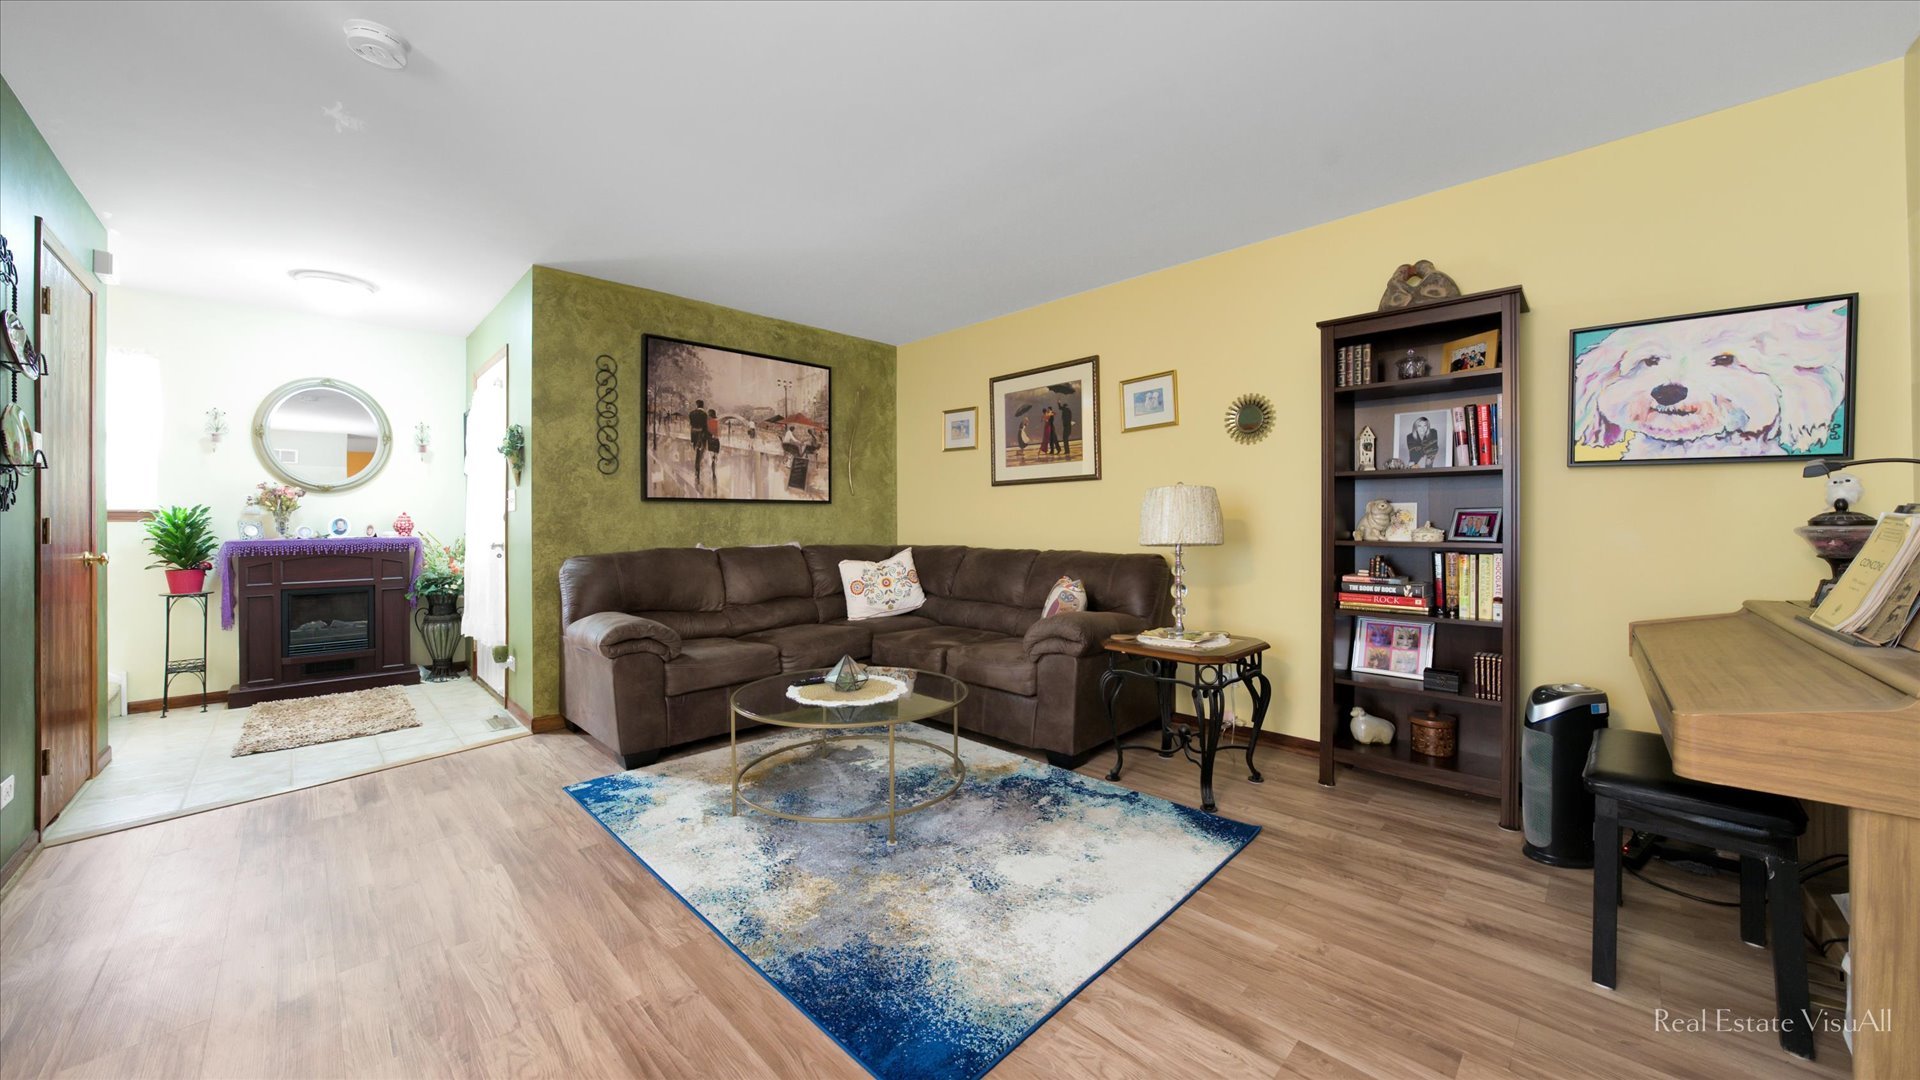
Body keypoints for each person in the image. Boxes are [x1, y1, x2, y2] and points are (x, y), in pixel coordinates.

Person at [689, 399, 710, 487]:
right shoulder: (705, 414)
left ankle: (697, 470)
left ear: (697, 405)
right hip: (701, 435)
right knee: (701, 453)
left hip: (694, 435)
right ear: (703, 405)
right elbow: (705, 427)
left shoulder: (691, 413)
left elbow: (691, 424)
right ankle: (698, 470)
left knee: (697, 452)